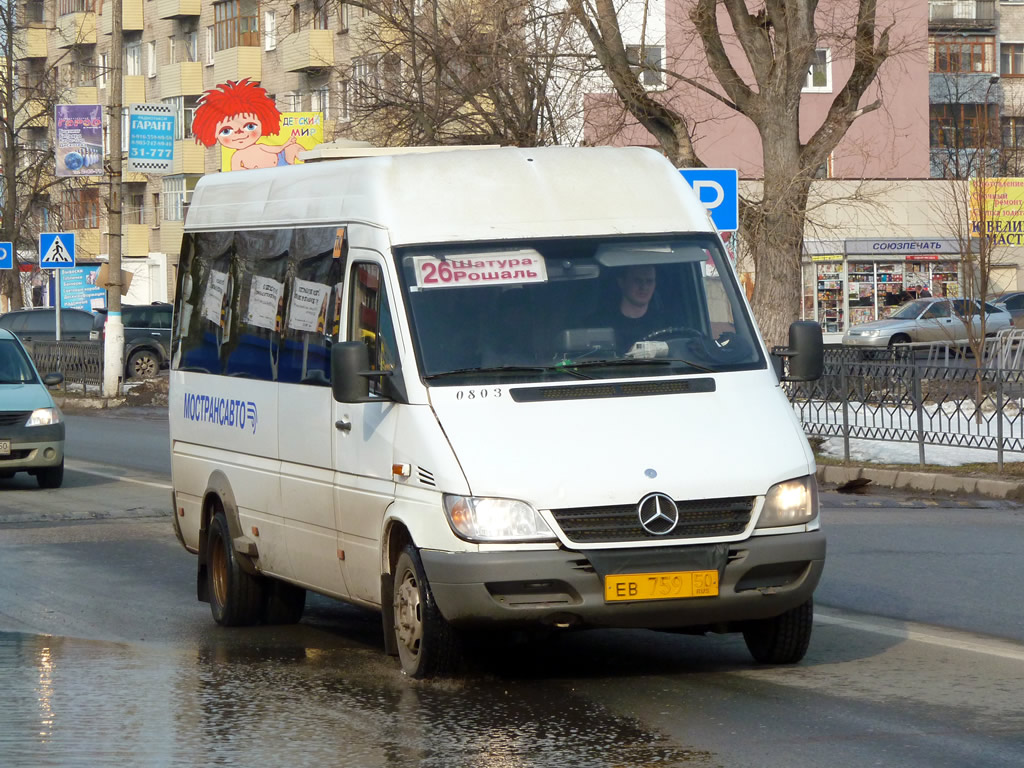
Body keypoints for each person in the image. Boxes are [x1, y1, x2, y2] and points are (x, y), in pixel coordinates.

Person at [192, 79, 301, 171]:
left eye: (250, 126)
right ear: (212, 134)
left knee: (294, 148)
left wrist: (287, 144)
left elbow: (276, 149)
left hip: (282, 168)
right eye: (226, 131)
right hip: (261, 183)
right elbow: (237, 175)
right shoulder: (237, 157)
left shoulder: (260, 146)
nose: (239, 133)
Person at [592, 265, 672, 355]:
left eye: (649, 281)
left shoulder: (666, 325)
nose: (644, 287)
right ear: (622, 282)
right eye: (638, 281)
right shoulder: (598, 324)